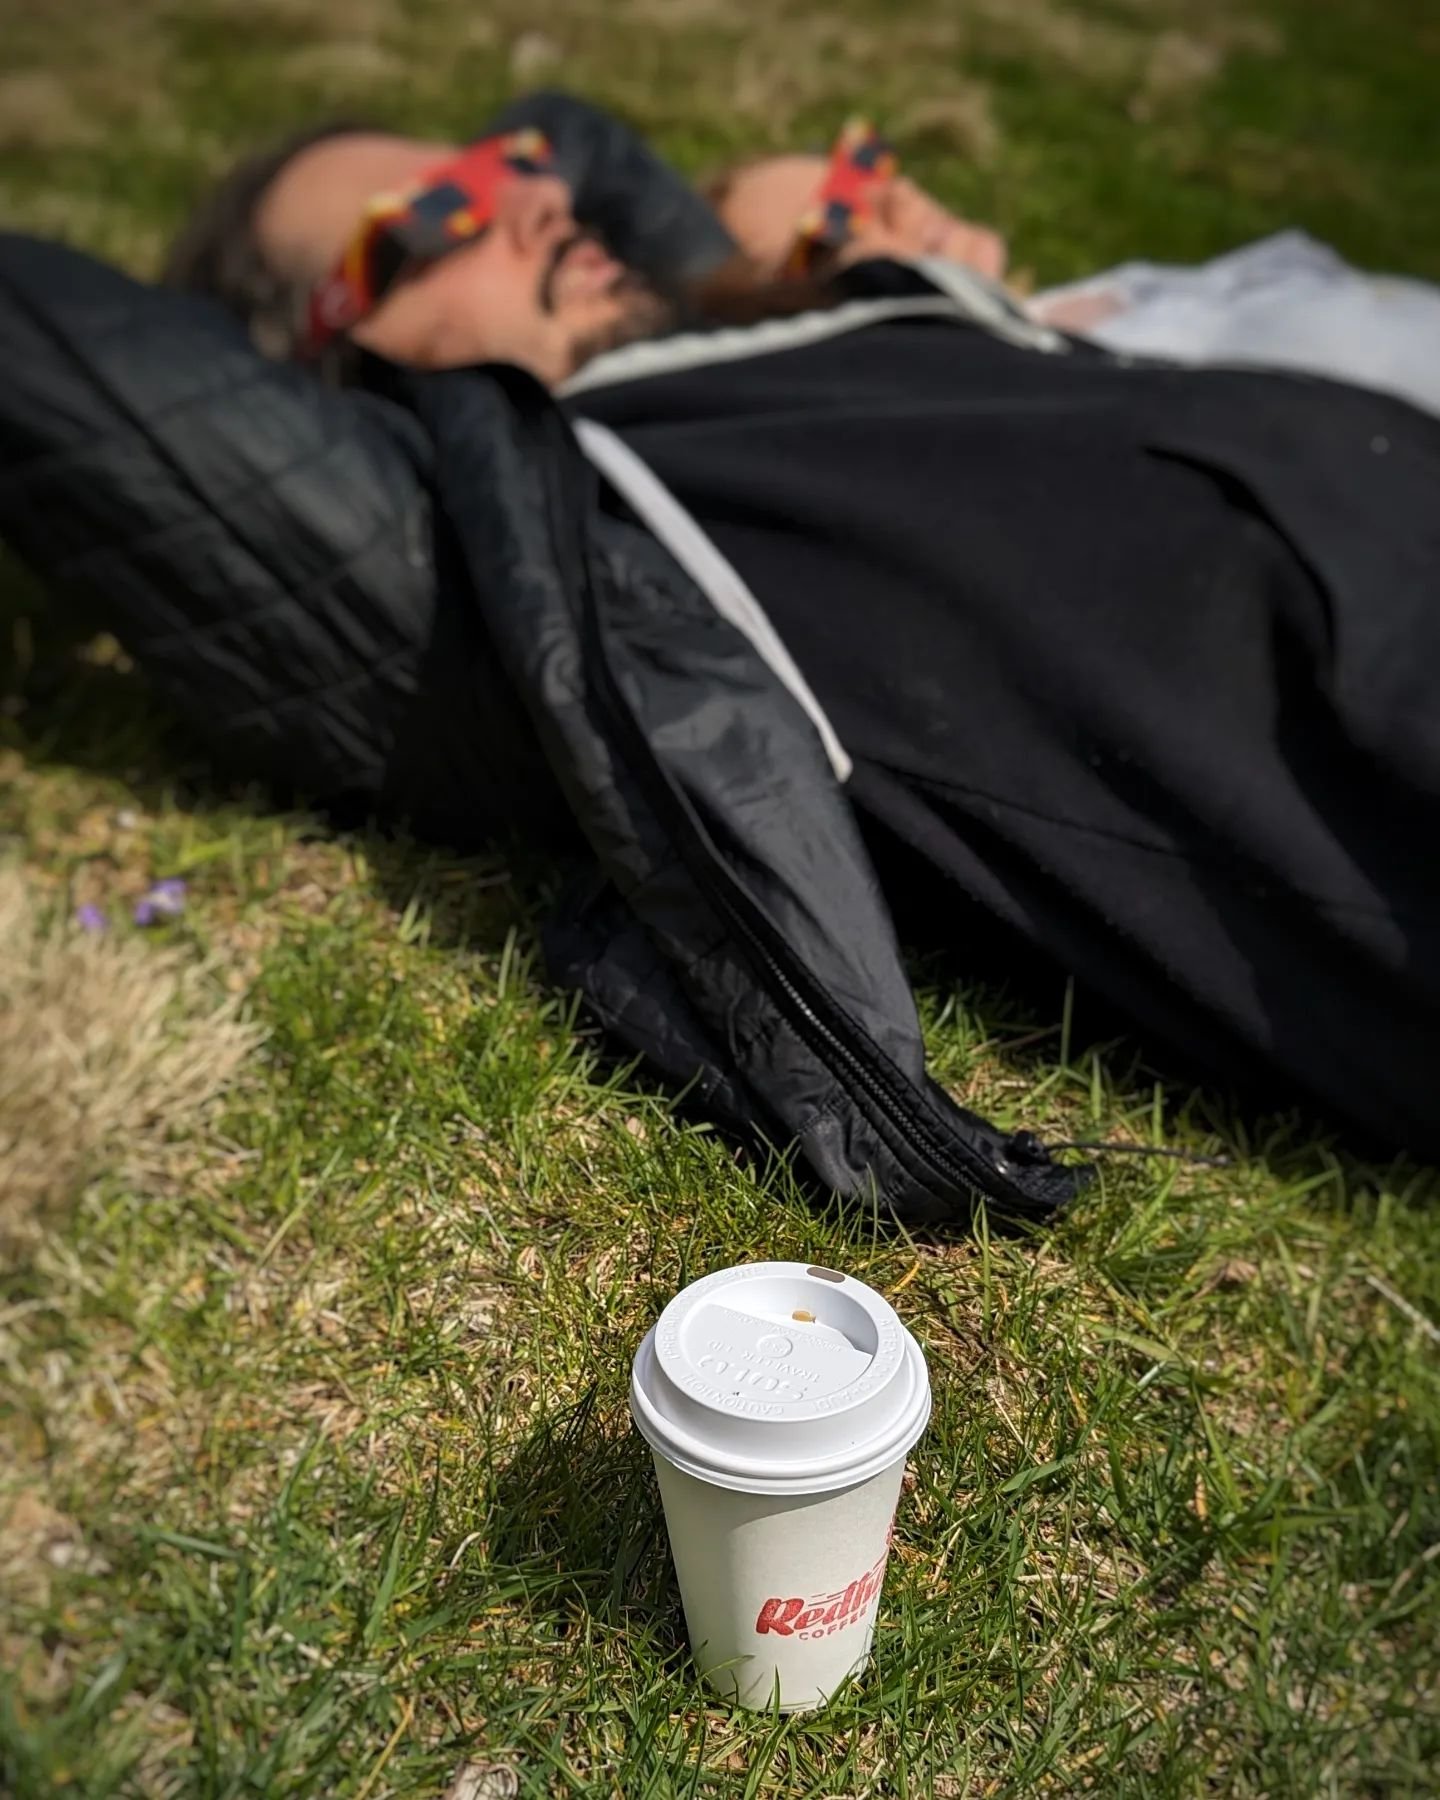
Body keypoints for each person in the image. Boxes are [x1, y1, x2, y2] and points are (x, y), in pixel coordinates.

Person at [2, 95, 1437, 1196]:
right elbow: (67, 349)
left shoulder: (728, 332)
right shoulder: (539, 549)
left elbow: (572, 129)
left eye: (500, 177)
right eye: (426, 219)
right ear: (319, 378)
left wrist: (501, 190)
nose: (521, 204)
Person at [709, 123, 1440, 418]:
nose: (895, 196)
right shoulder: (1041, 404)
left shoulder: (1095, 295)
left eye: (862, 167)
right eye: (837, 225)